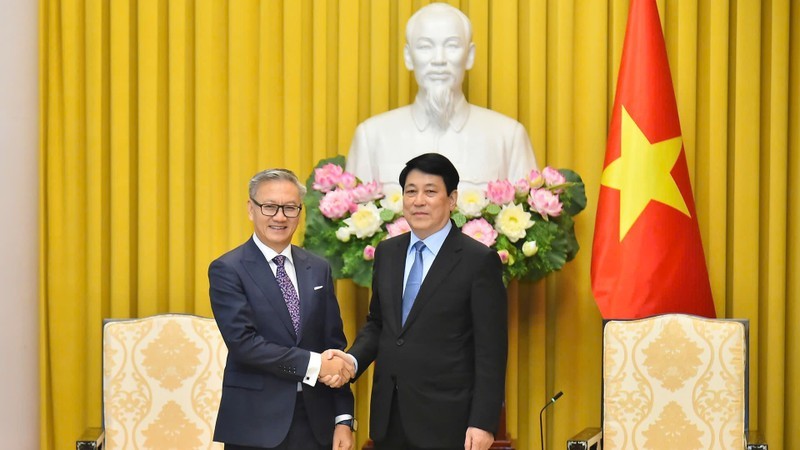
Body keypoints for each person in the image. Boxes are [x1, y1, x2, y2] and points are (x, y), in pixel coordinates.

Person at [330, 153, 508, 450]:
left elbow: (491, 349)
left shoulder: (478, 261)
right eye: (411, 191)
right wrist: (351, 360)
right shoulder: (387, 253)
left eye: (430, 191)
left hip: (449, 422)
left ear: (452, 199)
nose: (418, 200)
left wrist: (483, 421)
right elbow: (379, 324)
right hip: (390, 417)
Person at [209, 168, 356, 450]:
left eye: (290, 208)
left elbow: (333, 345)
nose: (280, 216)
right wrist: (316, 365)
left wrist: (343, 419)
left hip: (316, 422)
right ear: (251, 209)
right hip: (255, 424)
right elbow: (245, 344)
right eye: (269, 207)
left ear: (299, 213)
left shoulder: (318, 268)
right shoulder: (228, 270)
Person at [345, 2, 539, 194]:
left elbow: (532, 219)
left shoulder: (507, 137)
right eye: (425, 47)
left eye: (452, 46)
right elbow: (351, 219)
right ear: (408, 57)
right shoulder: (372, 136)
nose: (439, 60)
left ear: (470, 55)